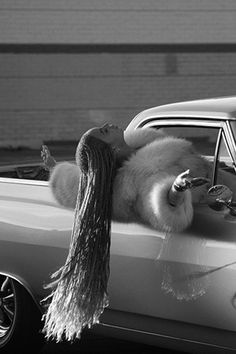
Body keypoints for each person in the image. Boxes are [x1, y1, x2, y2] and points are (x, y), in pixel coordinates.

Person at [42, 124, 211, 342]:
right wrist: (176, 188)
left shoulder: (146, 142)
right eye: (104, 132)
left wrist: (53, 166)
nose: (107, 125)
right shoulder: (133, 182)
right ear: (111, 150)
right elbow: (158, 207)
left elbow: (78, 179)